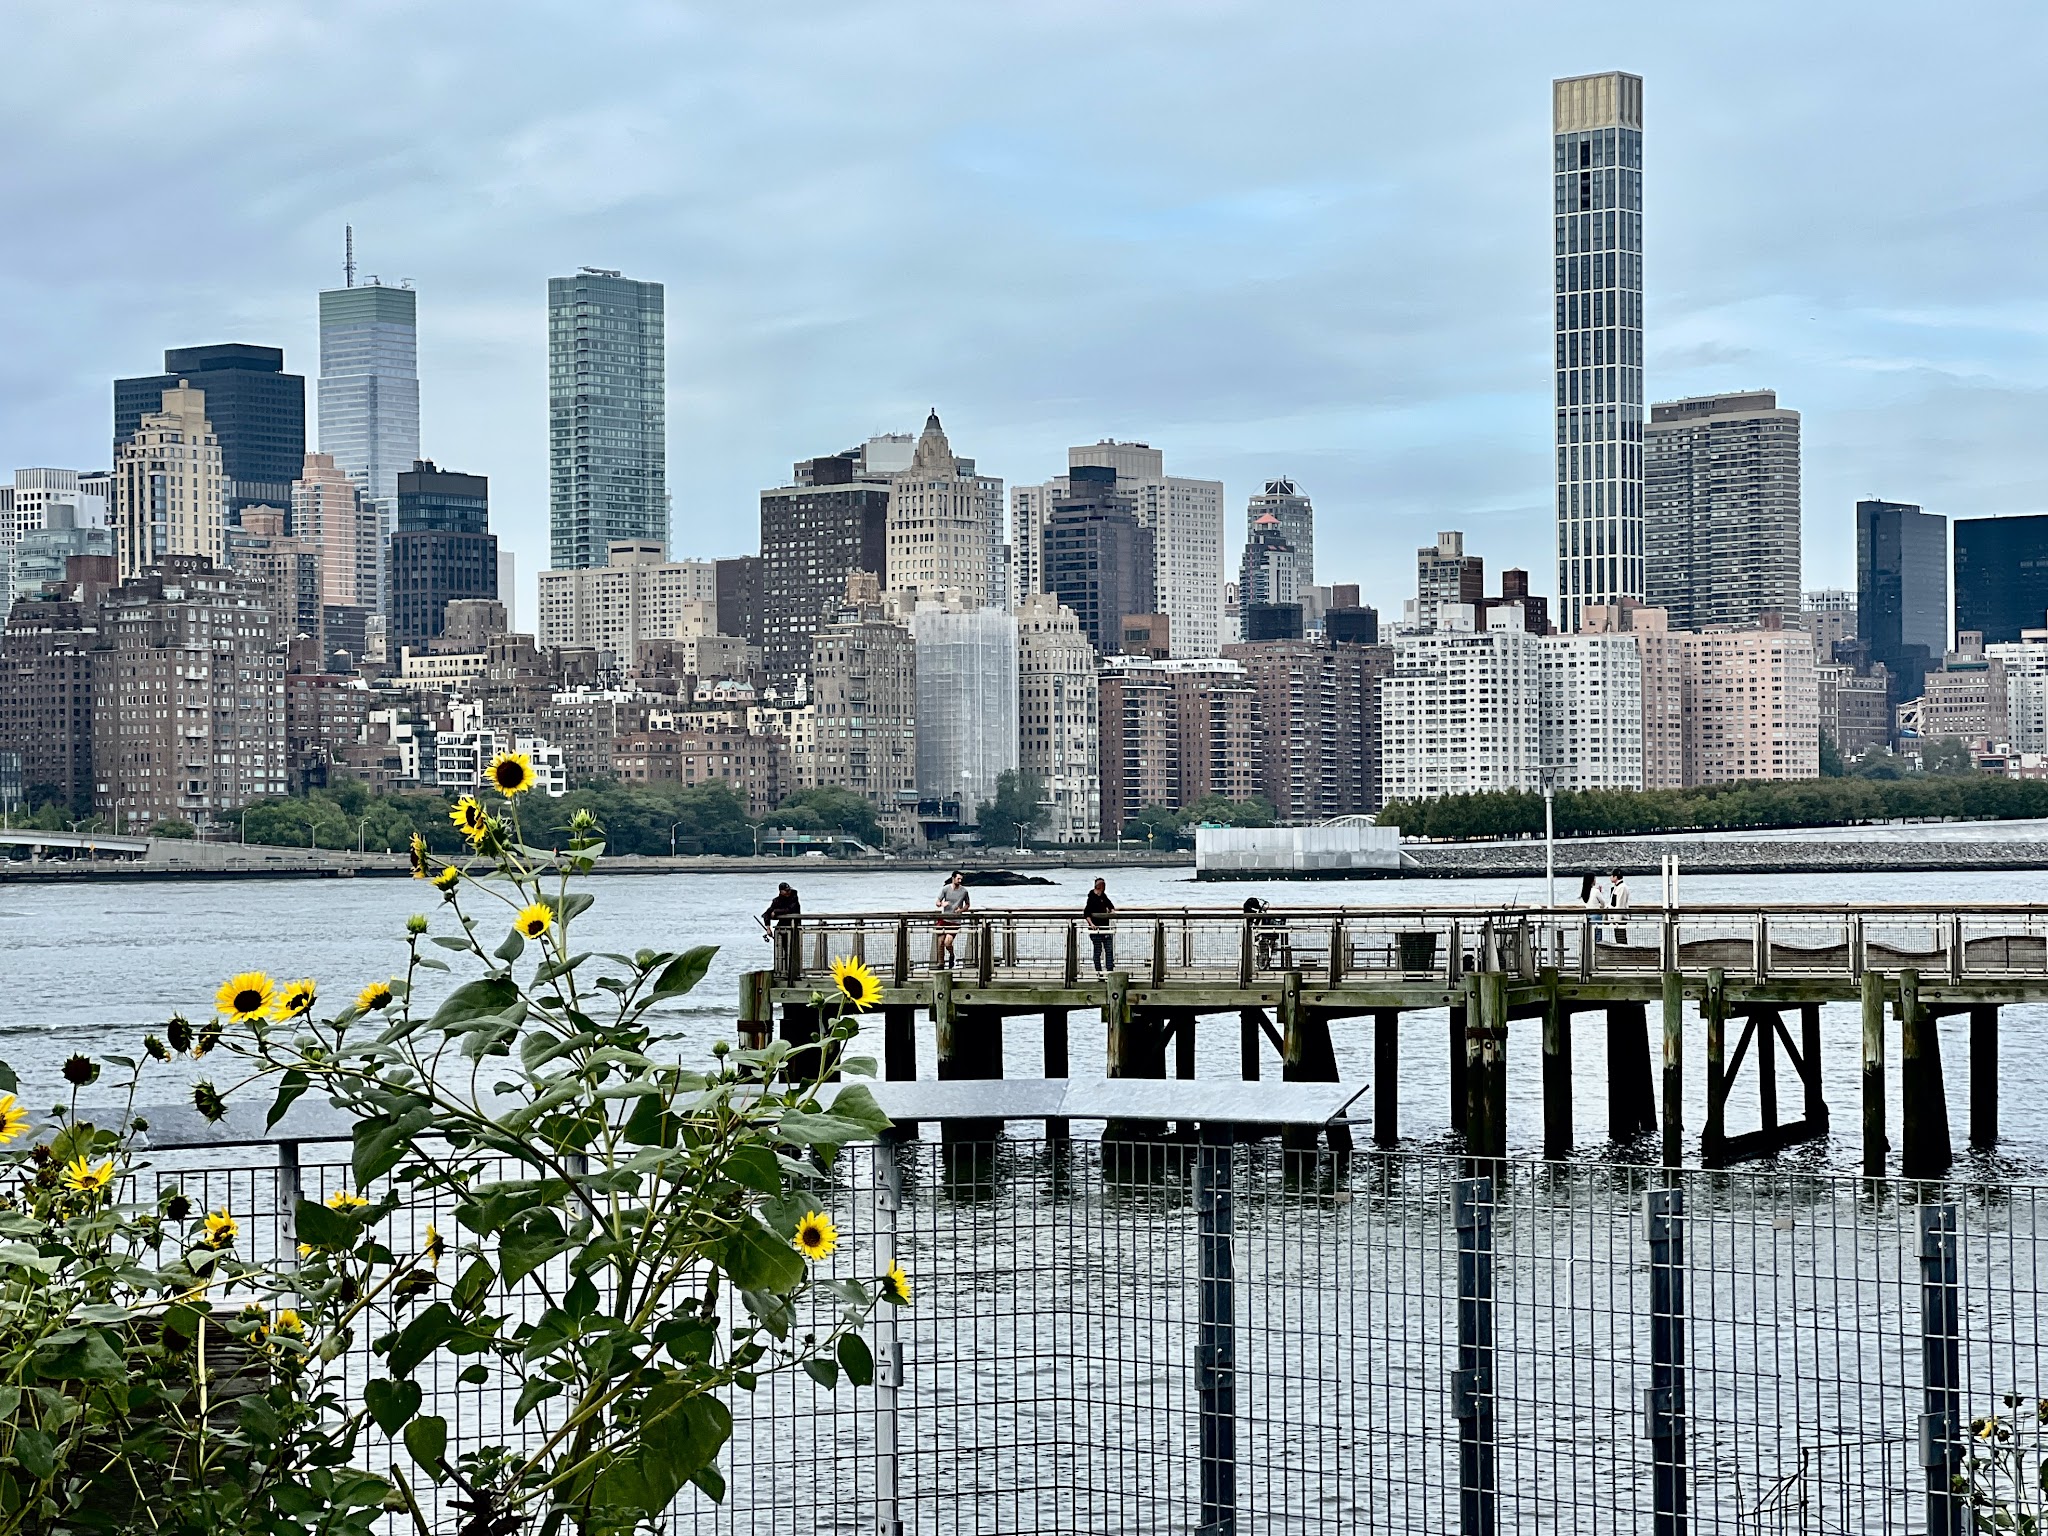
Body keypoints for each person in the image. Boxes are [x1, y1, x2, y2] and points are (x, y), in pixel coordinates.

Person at [761, 882, 801, 972]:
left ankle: (794, 970)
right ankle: (784, 969)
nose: (788, 892)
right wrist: (768, 928)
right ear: (781, 891)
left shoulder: (794, 897)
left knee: (794, 950)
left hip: (794, 927)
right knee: (783, 950)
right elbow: (766, 914)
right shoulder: (777, 900)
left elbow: (790, 909)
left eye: (789, 890)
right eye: (786, 890)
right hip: (782, 928)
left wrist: (776, 912)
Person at [934, 871, 971, 969]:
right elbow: (937, 902)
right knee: (940, 941)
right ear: (953, 878)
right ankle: (941, 964)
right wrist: (942, 904)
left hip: (955, 920)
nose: (960, 881)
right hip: (944, 918)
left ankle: (951, 955)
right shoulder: (945, 889)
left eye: (961, 879)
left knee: (947, 942)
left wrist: (961, 910)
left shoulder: (964, 891)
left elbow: (967, 904)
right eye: (958, 879)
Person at [1084, 878, 1116, 973]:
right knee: (1098, 951)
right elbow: (1086, 913)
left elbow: (1110, 905)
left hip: (1105, 928)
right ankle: (1099, 972)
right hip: (1095, 929)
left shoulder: (1103, 896)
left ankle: (1110, 971)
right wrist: (1092, 924)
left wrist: (1112, 911)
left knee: (1109, 950)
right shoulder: (1091, 898)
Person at [1608, 870, 1631, 945]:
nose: (1610, 877)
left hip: (1620, 918)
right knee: (1618, 937)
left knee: (1621, 937)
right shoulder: (1617, 887)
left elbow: (1620, 904)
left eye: (1611, 876)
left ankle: (1623, 952)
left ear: (1615, 877)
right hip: (1616, 917)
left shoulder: (1622, 887)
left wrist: (1617, 920)